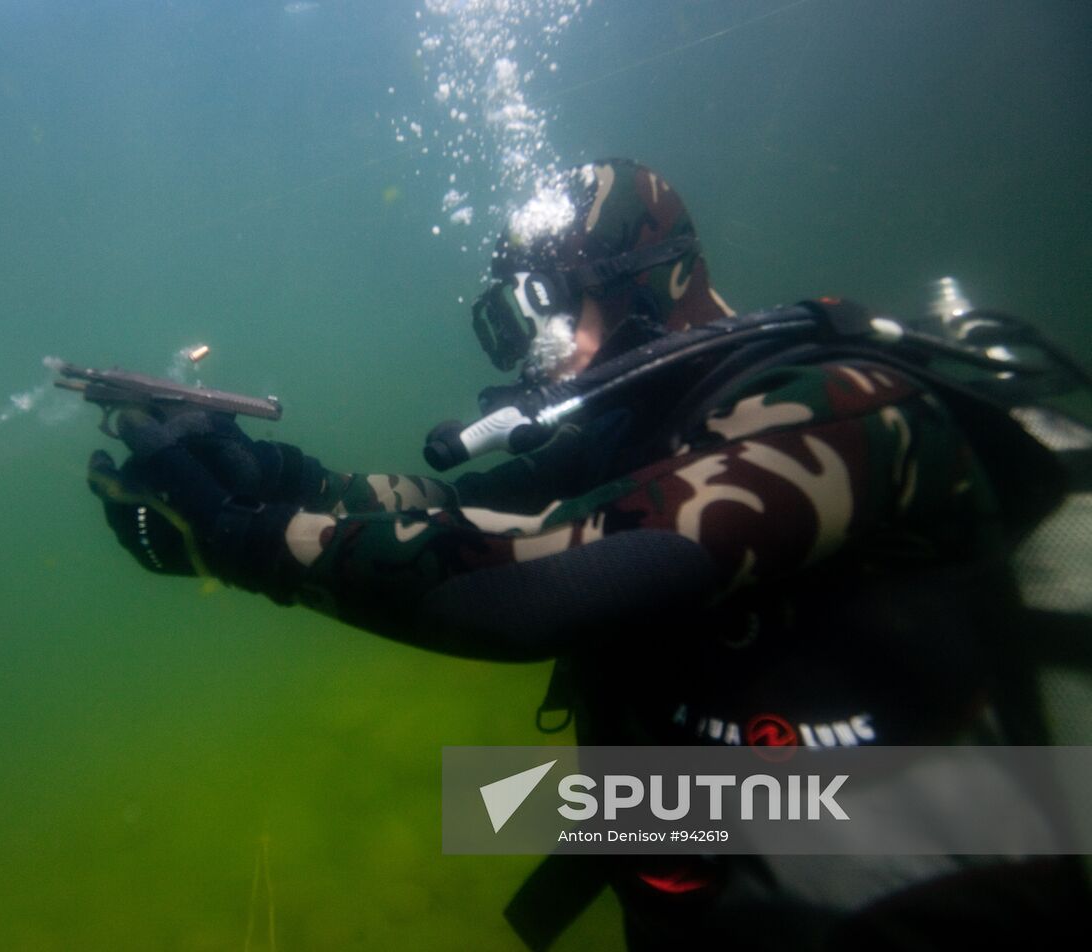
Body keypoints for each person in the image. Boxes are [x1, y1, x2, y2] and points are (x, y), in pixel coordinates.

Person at [84, 158, 1088, 949]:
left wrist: (253, 540)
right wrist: (259, 473)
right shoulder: (633, 436)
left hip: (942, 866)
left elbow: (540, 585)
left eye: (540, 307)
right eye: (504, 320)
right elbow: (445, 511)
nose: (527, 348)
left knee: (491, 803)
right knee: (491, 804)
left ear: (651, 286)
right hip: (723, 845)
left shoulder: (835, 410)